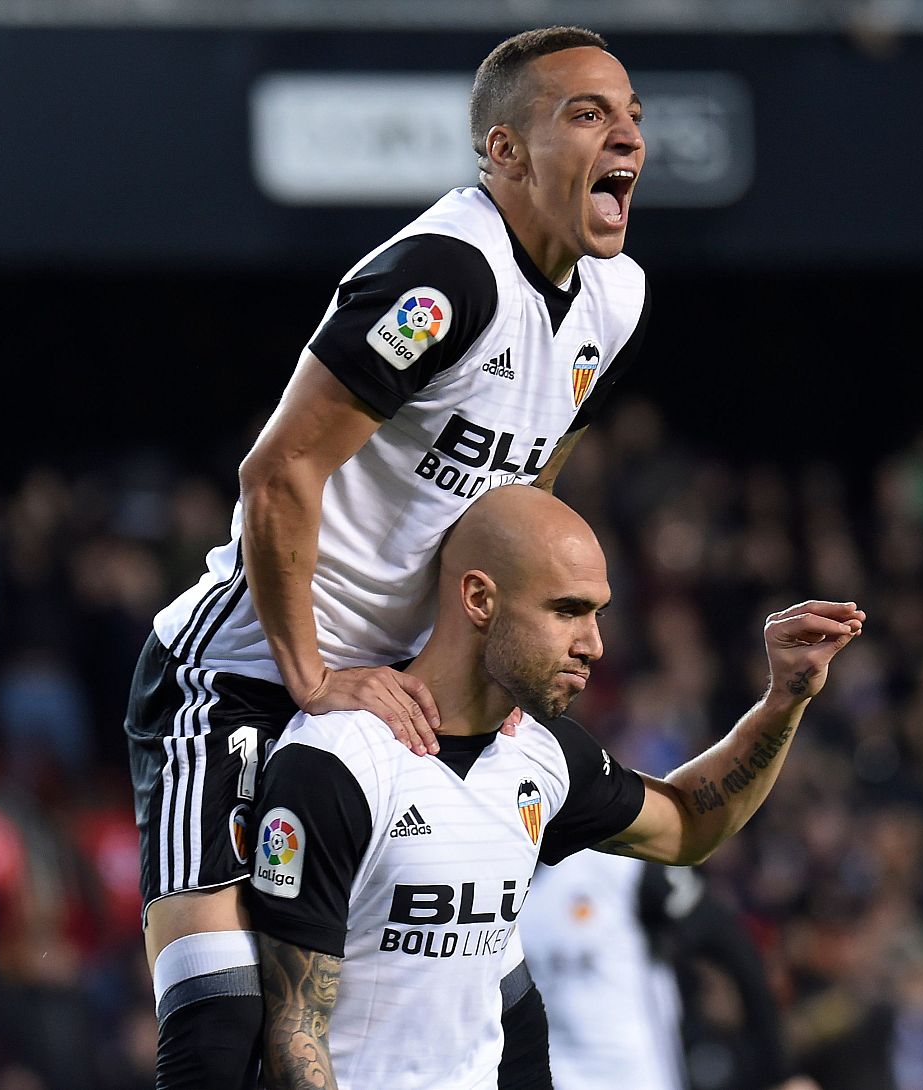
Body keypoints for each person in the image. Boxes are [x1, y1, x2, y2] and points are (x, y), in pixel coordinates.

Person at [124, 25, 650, 1089]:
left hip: (402, 704)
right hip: (242, 677)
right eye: (585, 114)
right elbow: (276, 473)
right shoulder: (447, 276)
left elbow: (516, 503)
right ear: (503, 151)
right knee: (225, 1020)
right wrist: (313, 677)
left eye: (632, 113)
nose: (625, 133)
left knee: (505, 1017)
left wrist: (487, 664)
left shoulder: (613, 299)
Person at [245, 485, 865, 1090]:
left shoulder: (542, 757)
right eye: (567, 610)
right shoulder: (338, 764)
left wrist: (784, 698)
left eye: (598, 614)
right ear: (480, 598)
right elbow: (293, 1028)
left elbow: (690, 823)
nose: (593, 643)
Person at [527, 851, 816, 1090]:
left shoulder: (615, 863)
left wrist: (779, 1071)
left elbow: (726, 939)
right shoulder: (492, 892)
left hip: (642, 1079)